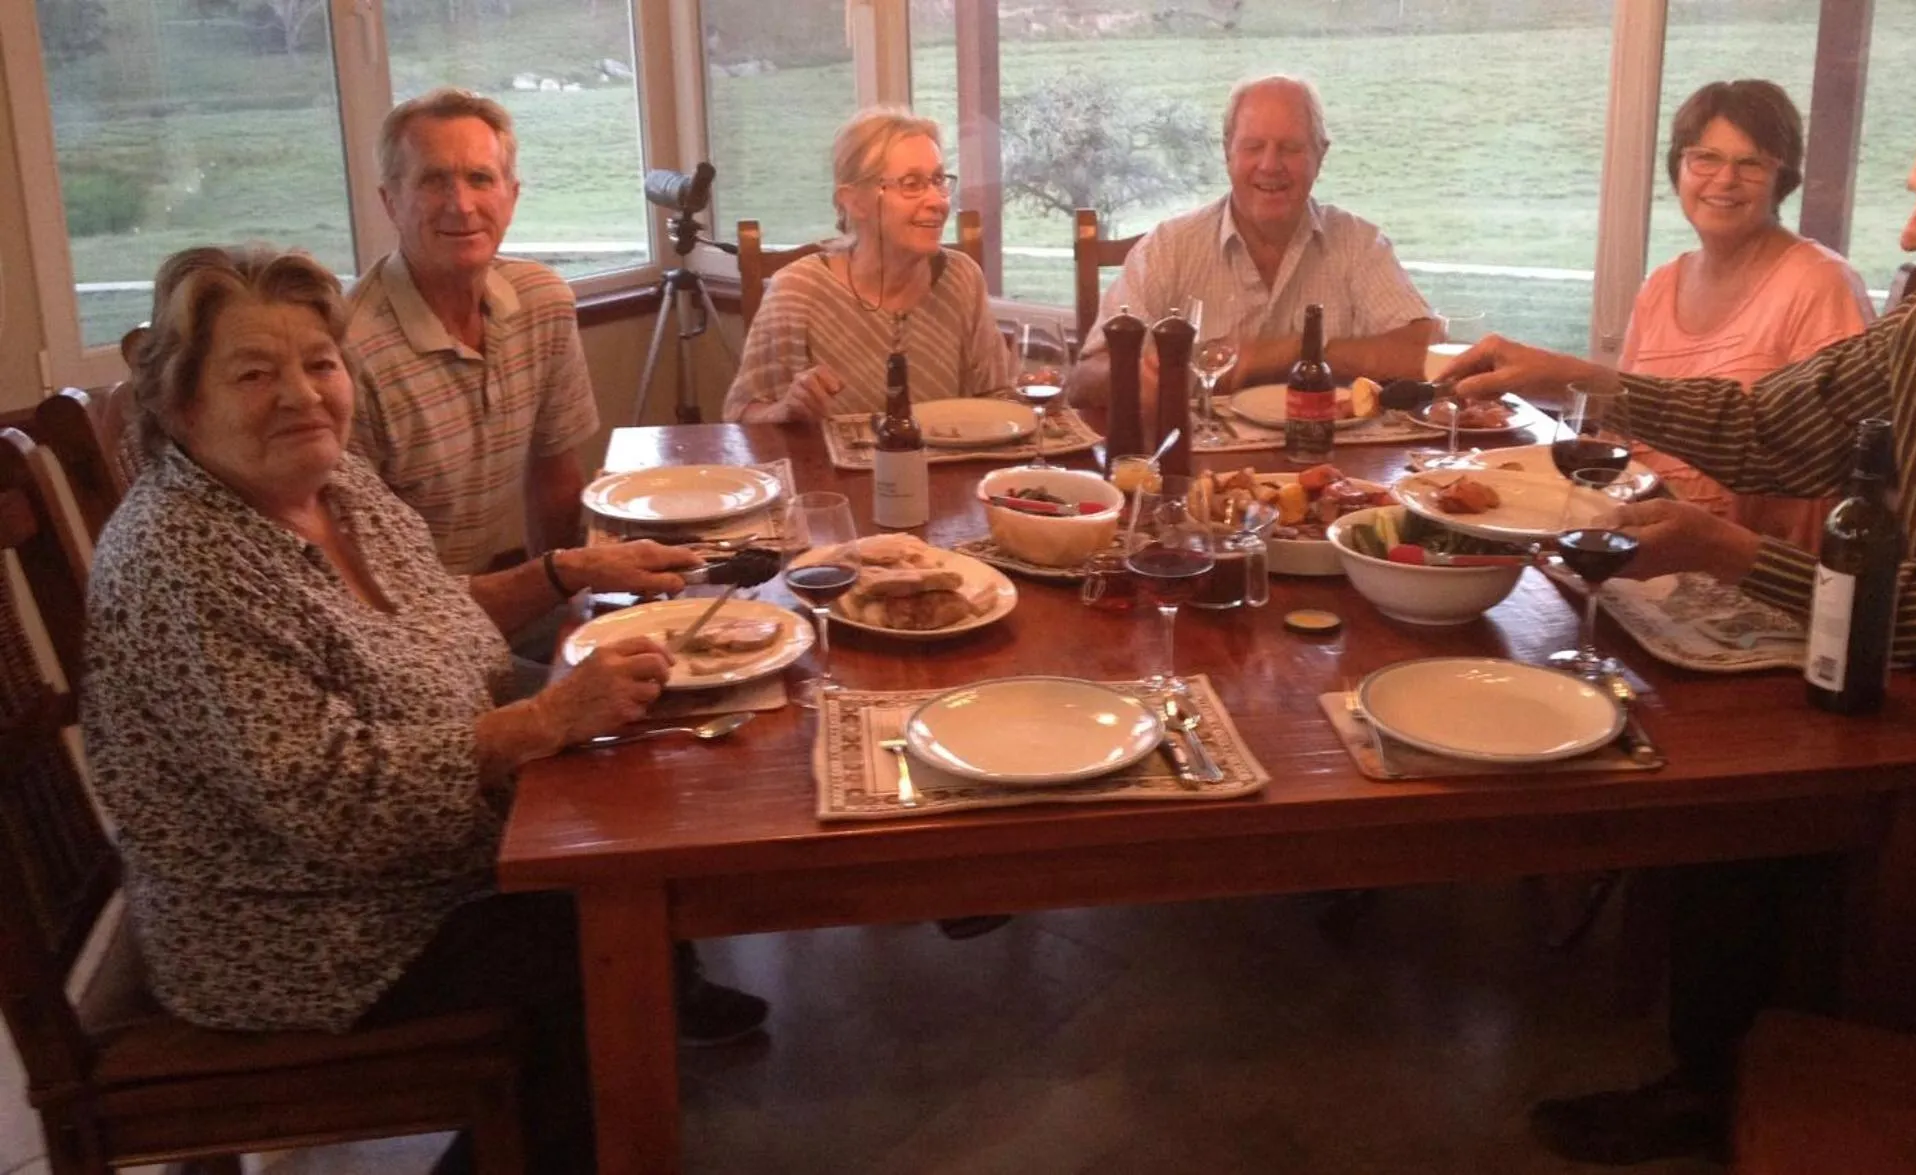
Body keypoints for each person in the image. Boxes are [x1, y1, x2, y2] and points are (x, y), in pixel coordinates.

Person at [1443, 74, 1916, 1165]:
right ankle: (1725, 1081)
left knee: (1790, 828)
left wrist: (1729, 552)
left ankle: (1864, 1103)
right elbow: (1770, 428)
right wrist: (1588, 379)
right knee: (1734, 781)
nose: (1910, 230)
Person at [78, 245, 759, 1170]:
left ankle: (629, 1061)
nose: (302, 395)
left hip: (403, 867)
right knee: (601, 933)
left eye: (319, 363)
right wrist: (544, 721)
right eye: (254, 374)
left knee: (639, 795)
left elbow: (429, 614)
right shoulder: (184, 563)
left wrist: (566, 570)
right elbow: (332, 799)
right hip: (301, 929)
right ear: (181, 404)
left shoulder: (331, 483)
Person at [1067, 74, 1436, 411]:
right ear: (1228, 152)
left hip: (1330, 457)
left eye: (1290, 147)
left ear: (1320, 155)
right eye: (1253, 146)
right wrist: (1134, 380)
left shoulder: (1359, 243)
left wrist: (1297, 351)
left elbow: (1426, 355)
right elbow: (1084, 381)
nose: (1270, 165)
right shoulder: (1168, 247)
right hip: (1197, 457)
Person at [348, 87, 599, 578]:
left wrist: (567, 600)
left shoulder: (542, 301)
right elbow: (364, 581)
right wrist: (544, 588)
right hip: (394, 613)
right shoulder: (348, 354)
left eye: (480, 179)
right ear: (390, 201)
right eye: (433, 180)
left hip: (486, 601)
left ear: (512, 196)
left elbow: (554, 478)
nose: (461, 206)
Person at [1622, 79, 1874, 551]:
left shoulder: (1820, 283)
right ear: (1679, 167)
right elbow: (1623, 431)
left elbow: (1836, 466)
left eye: (1751, 164)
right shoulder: (1660, 285)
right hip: (1646, 545)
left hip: (1751, 566)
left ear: (1783, 179)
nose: (1725, 180)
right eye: (1705, 158)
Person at [723, 107, 1012, 423]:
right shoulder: (798, 292)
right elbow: (740, 416)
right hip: (827, 458)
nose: (938, 201)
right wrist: (785, 410)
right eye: (912, 183)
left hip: (942, 457)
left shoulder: (962, 278)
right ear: (855, 201)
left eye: (938, 180)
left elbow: (999, 396)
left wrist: (1035, 399)